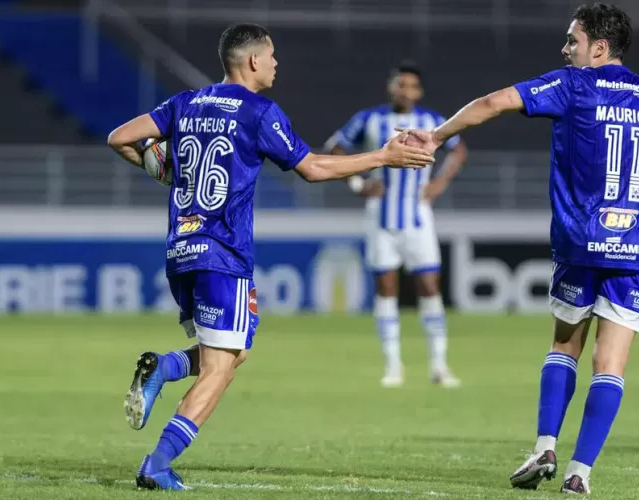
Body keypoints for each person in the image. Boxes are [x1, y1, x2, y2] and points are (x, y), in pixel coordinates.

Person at [401, 3, 639, 494]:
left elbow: (493, 101)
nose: (565, 49)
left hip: (578, 243)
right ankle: (579, 475)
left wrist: (437, 136)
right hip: (633, 251)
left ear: (599, 48)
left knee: (565, 345)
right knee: (610, 366)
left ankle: (545, 444)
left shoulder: (573, 86)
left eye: (573, 41)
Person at [107, 23, 434, 490]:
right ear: (253, 61)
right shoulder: (259, 111)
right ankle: (157, 463)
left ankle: (165, 367)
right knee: (221, 367)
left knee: (231, 353)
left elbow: (119, 137)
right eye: (273, 56)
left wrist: (165, 171)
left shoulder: (186, 103)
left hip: (181, 250)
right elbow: (314, 168)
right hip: (223, 252)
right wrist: (382, 158)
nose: (278, 64)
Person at [324, 62, 467, 388]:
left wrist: (439, 185)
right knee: (386, 289)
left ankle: (439, 365)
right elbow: (334, 146)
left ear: (419, 91)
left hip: (418, 217)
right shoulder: (369, 118)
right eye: (400, 84)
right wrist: (358, 184)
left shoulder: (432, 121)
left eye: (411, 86)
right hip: (380, 215)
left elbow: (459, 151)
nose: (406, 91)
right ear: (391, 87)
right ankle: (393, 366)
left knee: (430, 288)